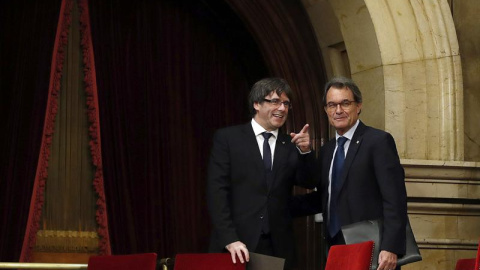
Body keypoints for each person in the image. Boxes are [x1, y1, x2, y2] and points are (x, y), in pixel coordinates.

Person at [292, 77, 407, 270]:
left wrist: (390, 247)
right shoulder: (328, 150)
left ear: (359, 106)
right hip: (335, 248)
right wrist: (272, 205)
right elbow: (323, 198)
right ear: (326, 110)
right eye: (332, 105)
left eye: (345, 103)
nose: (338, 110)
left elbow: (394, 198)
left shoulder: (378, 141)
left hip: (373, 251)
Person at [207, 77, 316, 269]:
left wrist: (306, 152)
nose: (282, 108)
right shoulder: (228, 139)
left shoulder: (289, 145)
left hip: (278, 247)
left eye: (286, 103)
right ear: (257, 104)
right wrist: (229, 238)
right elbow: (217, 192)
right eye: (275, 101)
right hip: (237, 245)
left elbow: (308, 181)